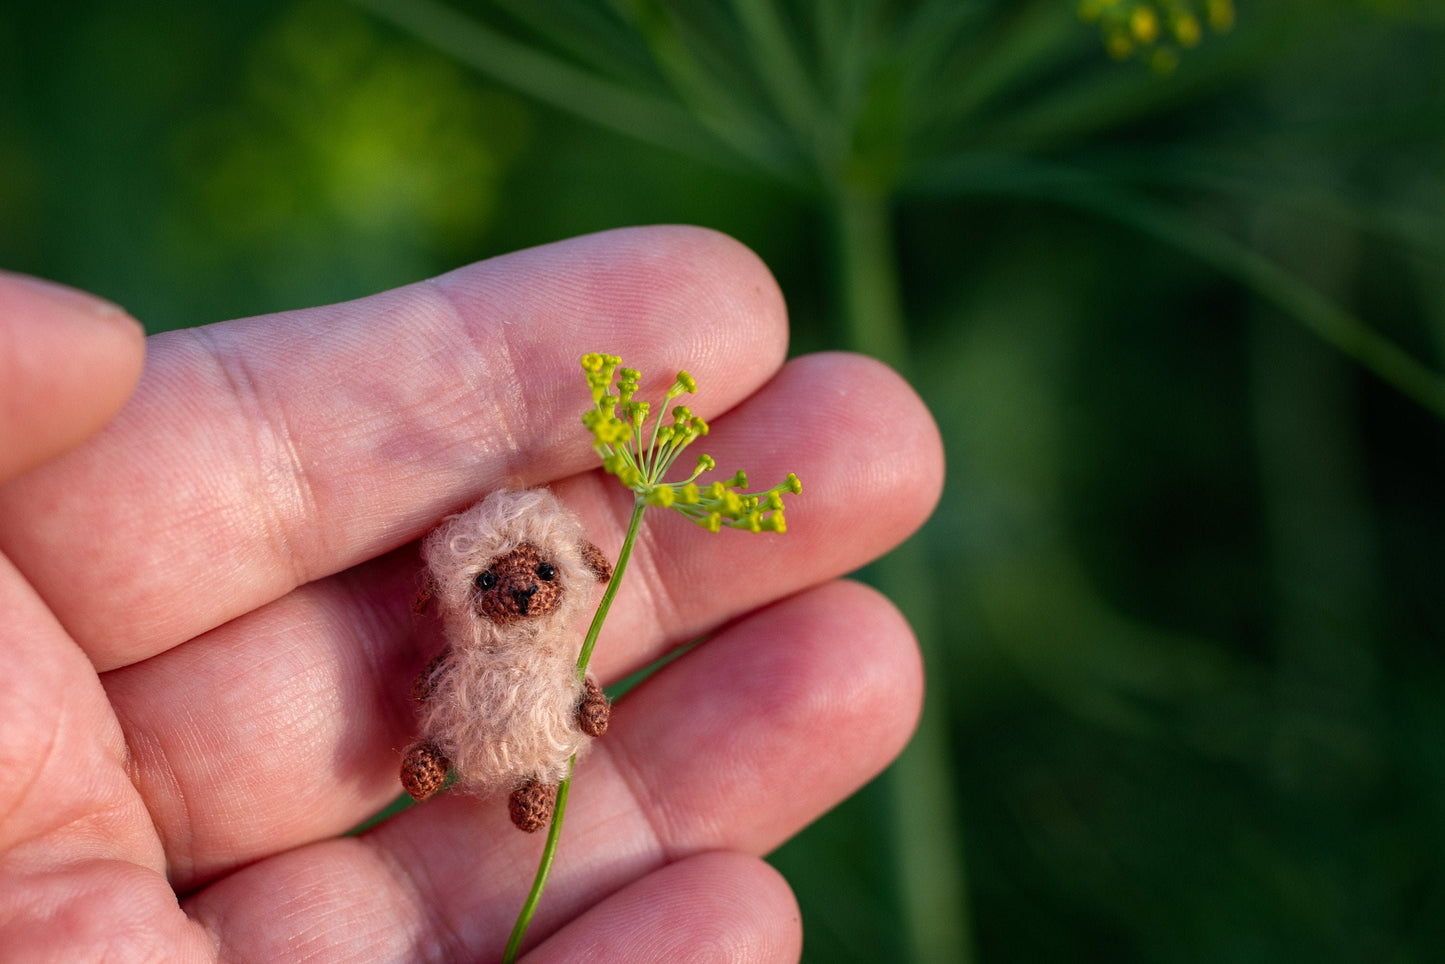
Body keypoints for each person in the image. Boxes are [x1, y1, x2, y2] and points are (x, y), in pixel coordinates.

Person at [0, 226, 942, 962]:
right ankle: (449, 766)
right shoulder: (458, 636)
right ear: (453, 592)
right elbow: (437, 684)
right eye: (498, 579)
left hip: (535, 728)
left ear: (578, 575)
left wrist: (587, 699)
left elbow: (574, 690)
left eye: (536, 574)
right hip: (456, 725)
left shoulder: (562, 614)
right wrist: (431, 738)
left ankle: (535, 783)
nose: (522, 588)